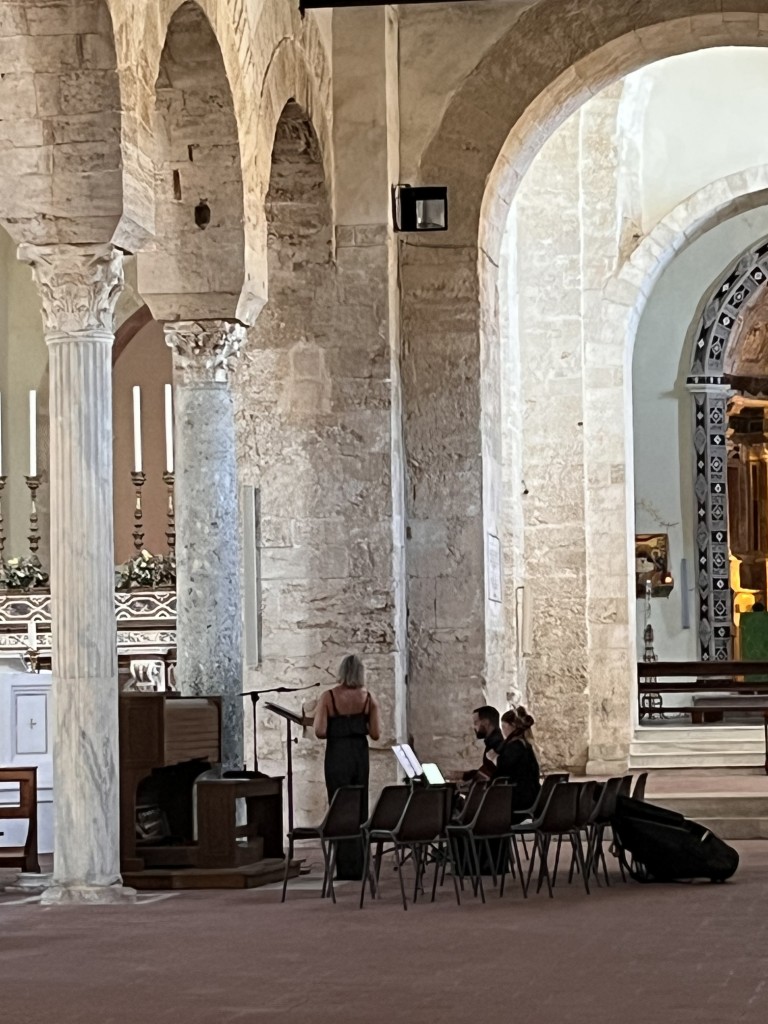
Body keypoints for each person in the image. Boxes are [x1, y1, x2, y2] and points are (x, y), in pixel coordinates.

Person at [313, 654, 381, 879]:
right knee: (359, 807)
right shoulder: (368, 698)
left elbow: (320, 731)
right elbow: (376, 734)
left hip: (337, 754)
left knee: (339, 806)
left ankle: (343, 867)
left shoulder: (329, 697)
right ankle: (360, 866)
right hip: (359, 755)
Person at [487, 707, 541, 818]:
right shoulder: (525, 745)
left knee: (484, 808)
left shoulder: (516, 747)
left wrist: (493, 757)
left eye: (504, 727)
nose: (503, 731)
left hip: (519, 800)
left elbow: (503, 766)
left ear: (513, 726)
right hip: (531, 796)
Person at [462, 705, 503, 782]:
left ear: (486, 722)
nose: (474, 727)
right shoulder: (493, 742)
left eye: (475, 722)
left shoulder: (496, 744)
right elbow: (486, 770)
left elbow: (490, 775)